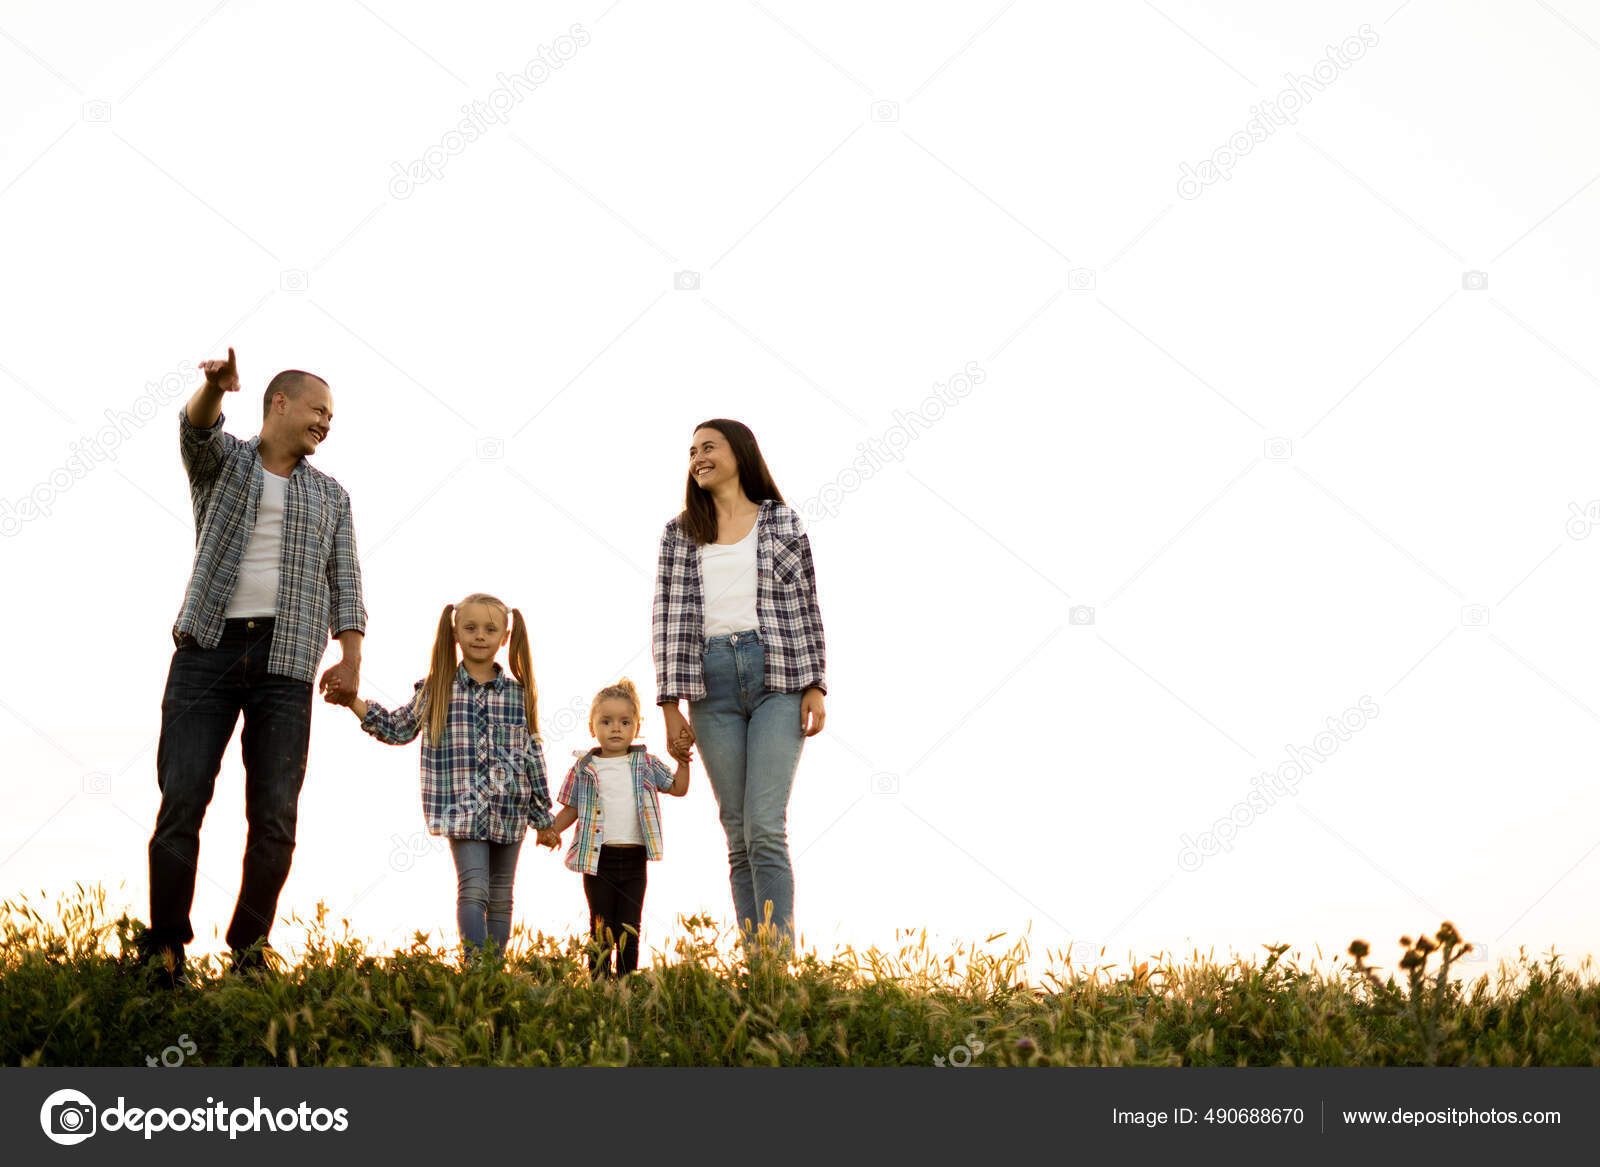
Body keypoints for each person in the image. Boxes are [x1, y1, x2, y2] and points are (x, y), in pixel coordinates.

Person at [141, 347, 366, 987]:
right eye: (318, 409)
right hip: (206, 652)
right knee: (182, 799)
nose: (326, 422)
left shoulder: (332, 496)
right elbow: (196, 429)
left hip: (287, 661)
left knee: (274, 818)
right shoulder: (225, 465)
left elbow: (345, 579)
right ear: (279, 403)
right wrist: (213, 387)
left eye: (331, 415)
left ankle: (248, 950)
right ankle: (165, 950)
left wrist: (351, 657)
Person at [652, 418, 826, 955]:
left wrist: (815, 683)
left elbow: (805, 603)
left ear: (740, 452)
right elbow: (668, 619)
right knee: (736, 832)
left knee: (765, 826)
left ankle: (777, 965)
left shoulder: (781, 520)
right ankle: (758, 968)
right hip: (710, 685)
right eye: (691, 452)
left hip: (778, 675)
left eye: (709, 447)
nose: (697, 458)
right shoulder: (680, 531)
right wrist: (669, 705)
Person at [327, 594, 560, 958]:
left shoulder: (518, 695)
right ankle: (475, 968)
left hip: (510, 810)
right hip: (462, 810)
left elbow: (532, 757)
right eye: (470, 628)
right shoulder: (438, 688)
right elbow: (399, 728)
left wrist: (544, 819)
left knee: (501, 897)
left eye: (490, 629)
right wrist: (354, 702)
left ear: (504, 636)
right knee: (473, 889)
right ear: (455, 633)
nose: (480, 636)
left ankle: (493, 975)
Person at [547, 678, 690, 978]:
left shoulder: (646, 764)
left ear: (636, 728)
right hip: (598, 860)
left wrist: (683, 763)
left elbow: (677, 788)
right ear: (592, 727)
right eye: (607, 721)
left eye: (625, 722)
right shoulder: (584, 768)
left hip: (634, 860)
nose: (616, 728)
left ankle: (626, 986)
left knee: (630, 926)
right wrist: (552, 830)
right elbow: (571, 808)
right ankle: (598, 985)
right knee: (601, 926)